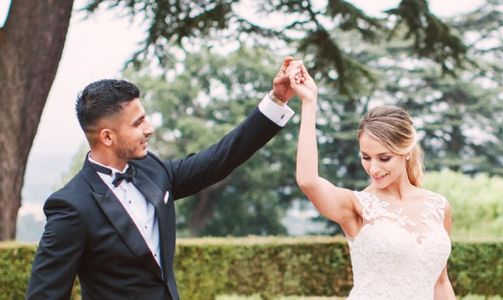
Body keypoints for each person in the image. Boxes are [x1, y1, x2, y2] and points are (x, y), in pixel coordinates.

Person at [26, 56, 299, 300]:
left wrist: (276, 100)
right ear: (107, 137)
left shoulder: (153, 169)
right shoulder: (71, 206)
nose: (150, 129)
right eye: (137, 123)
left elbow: (220, 159)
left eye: (145, 118)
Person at [288, 61, 456, 300]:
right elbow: (308, 181)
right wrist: (309, 103)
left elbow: (440, 283)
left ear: (406, 151)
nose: (373, 168)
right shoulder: (356, 207)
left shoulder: (439, 207)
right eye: (366, 157)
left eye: (384, 158)